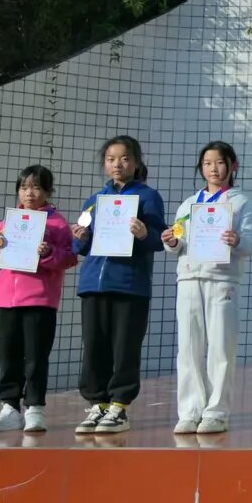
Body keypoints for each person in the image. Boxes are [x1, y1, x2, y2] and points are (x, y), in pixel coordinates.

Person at [70, 136, 165, 435]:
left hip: (129, 285)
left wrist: (144, 233)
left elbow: (160, 239)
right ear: (104, 164)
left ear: (136, 163)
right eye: (111, 159)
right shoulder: (95, 201)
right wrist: (80, 238)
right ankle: (97, 404)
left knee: (125, 347)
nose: (117, 164)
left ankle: (119, 406)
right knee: (94, 346)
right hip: (93, 284)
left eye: (124, 158)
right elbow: (80, 246)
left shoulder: (148, 198)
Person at [161, 141, 252, 434]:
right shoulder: (189, 204)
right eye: (207, 163)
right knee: (188, 347)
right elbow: (178, 241)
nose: (213, 169)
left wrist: (237, 241)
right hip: (189, 279)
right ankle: (190, 411)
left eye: (219, 162)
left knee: (220, 347)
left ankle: (216, 412)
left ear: (233, 165)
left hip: (222, 280)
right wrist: (172, 242)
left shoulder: (240, 203)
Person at [0, 165, 74, 433]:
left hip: (40, 300)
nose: (29, 193)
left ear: (48, 191)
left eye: (36, 187)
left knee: (35, 357)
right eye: (24, 187)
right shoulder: (10, 221)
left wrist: (48, 252)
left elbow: (69, 258)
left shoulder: (57, 223)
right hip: (9, 299)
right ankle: (10, 408)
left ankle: (35, 408)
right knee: (9, 356)